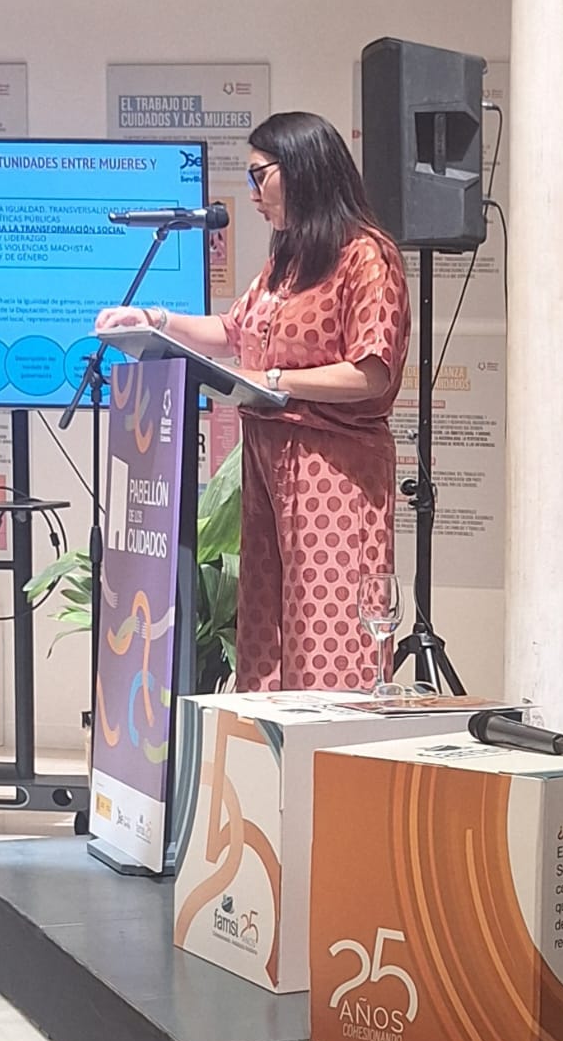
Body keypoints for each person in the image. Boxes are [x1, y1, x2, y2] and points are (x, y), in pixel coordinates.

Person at [96, 111, 409, 691]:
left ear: (303, 170)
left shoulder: (367, 258)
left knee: (327, 634)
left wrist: (275, 378)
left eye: (259, 175)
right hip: (267, 457)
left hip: (333, 465)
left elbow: (371, 373)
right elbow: (234, 331)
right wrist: (154, 319)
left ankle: (329, 746)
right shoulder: (289, 257)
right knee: (268, 635)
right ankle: (269, 748)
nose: (253, 194)